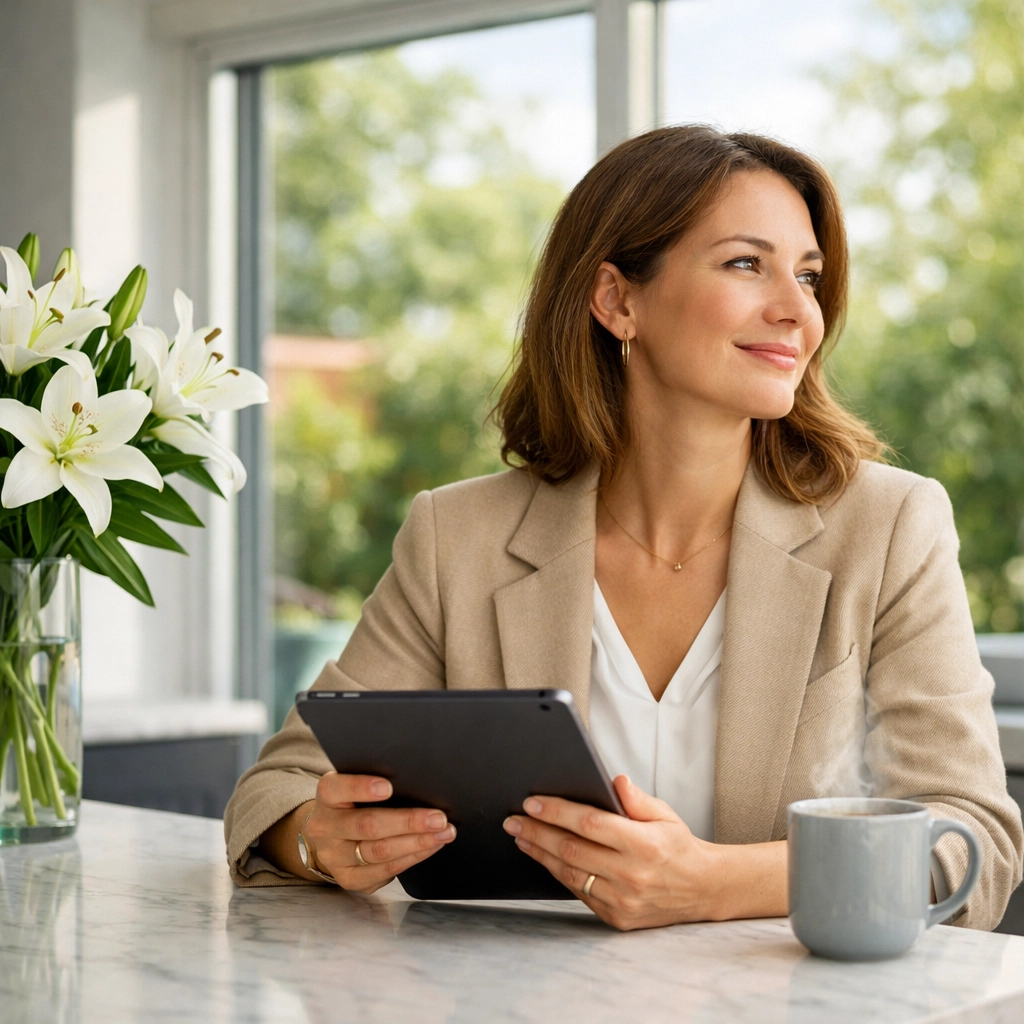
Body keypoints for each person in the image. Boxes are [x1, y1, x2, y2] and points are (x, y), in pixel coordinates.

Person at [224, 125, 1022, 931]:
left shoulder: (889, 525)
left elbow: (972, 843)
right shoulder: (457, 537)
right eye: (747, 264)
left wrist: (717, 883)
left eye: (808, 276)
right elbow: (277, 790)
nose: (797, 313)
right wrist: (322, 842)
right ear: (616, 299)